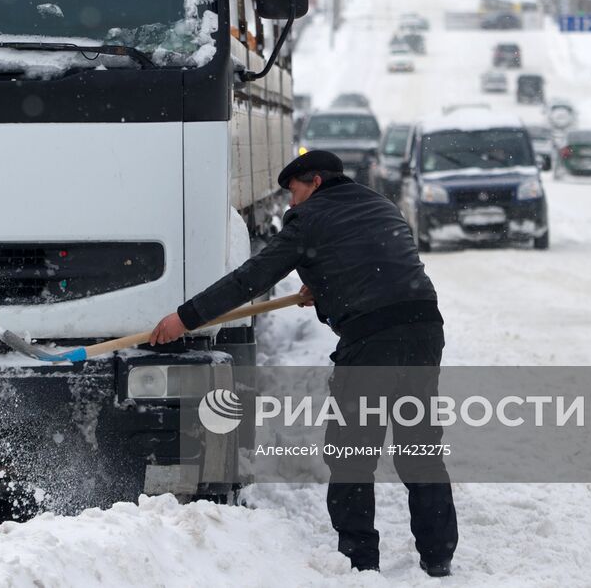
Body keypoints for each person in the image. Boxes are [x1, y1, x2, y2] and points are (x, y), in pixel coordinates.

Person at [149, 150, 457, 577]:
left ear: (313, 182)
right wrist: (325, 284)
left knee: (351, 452)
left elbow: (251, 278)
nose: (290, 204)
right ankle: (439, 555)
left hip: (371, 340)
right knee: (418, 445)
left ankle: (359, 562)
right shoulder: (379, 203)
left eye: (293, 192)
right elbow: (378, 261)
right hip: (424, 326)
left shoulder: (309, 219)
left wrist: (184, 318)